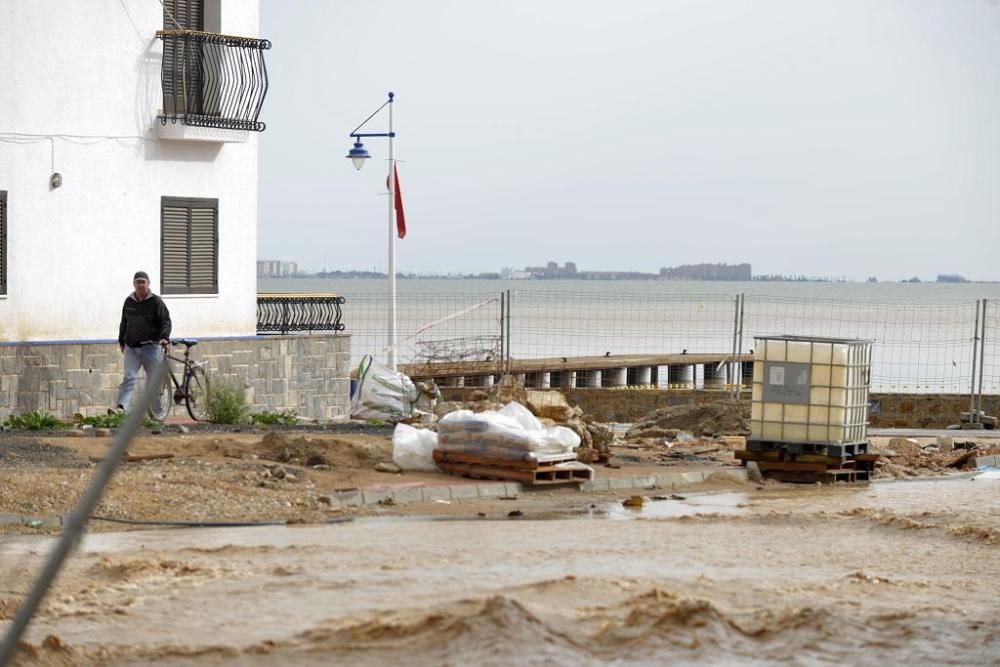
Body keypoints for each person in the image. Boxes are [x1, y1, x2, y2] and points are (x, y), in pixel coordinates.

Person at [114, 271, 172, 415]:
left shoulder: (156, 302)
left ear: (148, 284)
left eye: (143, 282)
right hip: (131, 348)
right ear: (134, 284)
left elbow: (165, 320)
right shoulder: (129, 301)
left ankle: (157, 414)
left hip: (151, 348)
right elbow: (124, 323)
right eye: (137, 282)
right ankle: (121, 408)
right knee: (129, 377)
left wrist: (164, 337)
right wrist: (121, 340)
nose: (140, 285)